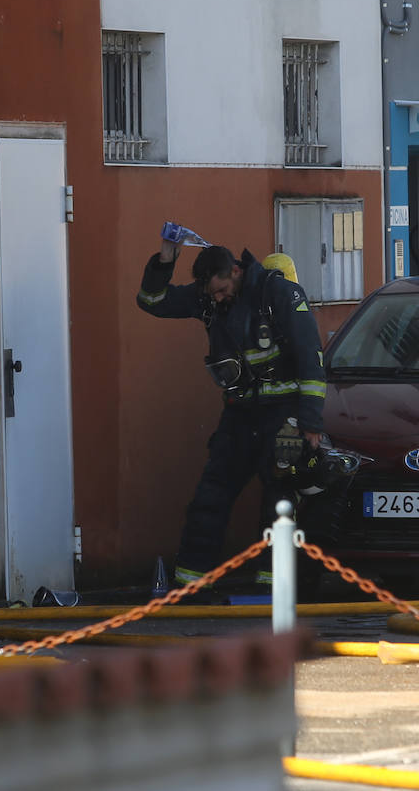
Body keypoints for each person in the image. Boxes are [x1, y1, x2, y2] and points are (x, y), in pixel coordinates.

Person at [137, 234, 327, 589]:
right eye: (212, 294)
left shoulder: (280, 295)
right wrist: (165, 259)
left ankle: (274, 586)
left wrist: (311, 423)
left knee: (279, 501)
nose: (218, 299)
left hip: (283, 414)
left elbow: (311, 359)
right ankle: (192, 583)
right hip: (240, 414)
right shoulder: (209, 299)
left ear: (236, 271)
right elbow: (152, 301)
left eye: (222, 290)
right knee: (211, 496)